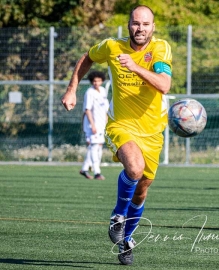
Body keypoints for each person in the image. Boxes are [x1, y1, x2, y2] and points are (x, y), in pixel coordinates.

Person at [60, 5, 172, 265]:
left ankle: (126, 240)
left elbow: (164, 84)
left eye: (145, 24)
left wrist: (134, 67)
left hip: (153, 132)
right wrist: (72, 88)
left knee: (142, 190)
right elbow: (88, 57)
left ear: (153, 27)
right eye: (135, 23)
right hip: (120, 125)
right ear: (129, 25)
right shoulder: (112, 46)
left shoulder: (160, 48)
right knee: (134, 168)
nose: (140, 28)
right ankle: (117, 216)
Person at [79, 71, 109, 180]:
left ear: (102, 81)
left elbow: (106, 109)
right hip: (93, 125)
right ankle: (97, 172)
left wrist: (106, 122)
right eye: (94, 81)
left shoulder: (103, 91)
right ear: (92, 81)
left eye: (98, 80)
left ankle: (84, 169)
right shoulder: (89, 92)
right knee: (94, 146)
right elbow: (87, 110)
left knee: (98, 146)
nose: (96, 83)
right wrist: (92, 125)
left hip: (102, 124)